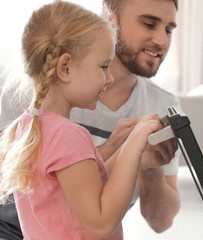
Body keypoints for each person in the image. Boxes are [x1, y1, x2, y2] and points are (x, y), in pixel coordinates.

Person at [0, 0, 181, 238]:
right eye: (103, 67)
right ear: (65, 68)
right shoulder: (69, 134)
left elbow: (79, 186)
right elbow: (101, 223)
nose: (108, 79)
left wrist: (128, 151)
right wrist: (134, 144)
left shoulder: (29, 124)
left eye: (168, 30)